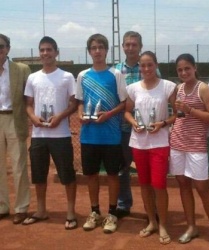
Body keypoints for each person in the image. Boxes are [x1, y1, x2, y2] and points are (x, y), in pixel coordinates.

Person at [22, 36, 78, 230]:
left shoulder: (67, 77)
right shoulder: (32, 77)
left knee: (67, 174)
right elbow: (28, 105)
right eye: (42, 50)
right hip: (38, 135)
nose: (45, 53)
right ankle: (41, 210)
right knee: (39, 174)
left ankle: (71, 212)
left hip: (60, 134)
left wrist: (60, 117)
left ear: (56, 52)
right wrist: (33, 118)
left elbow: (74, 103)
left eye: (49, 50)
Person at [169, 53, 209, 248]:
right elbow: (177, 115)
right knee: (183, 185)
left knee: (202, 188)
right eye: (180, 70)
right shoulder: (178, 88)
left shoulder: (204, 88)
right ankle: (191, 227)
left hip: (196, 146)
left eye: (187, 68)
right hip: (177, 144)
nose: (184, 72)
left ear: (194, 68)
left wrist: (190, 109)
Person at [75, 33, 127, 233]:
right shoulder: (82, 75)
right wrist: (80, 115)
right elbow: (79, 101)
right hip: (89, 135)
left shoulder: (116, 74)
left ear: (106, 50)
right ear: (89, 52)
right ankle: (95, 211)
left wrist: (109, 115)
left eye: (100, 47)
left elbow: (124, 103)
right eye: (93, 48)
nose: (97, 51)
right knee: (92, 175)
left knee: (113, 175)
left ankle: (112, 213)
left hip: (111, 135)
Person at [124, 51, 176, 244]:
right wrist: (133, 123)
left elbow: (176, 115)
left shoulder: (168, 87)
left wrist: (163, 123)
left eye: (149, 65)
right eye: (142, 65)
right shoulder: (133, 88)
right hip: (138, 143)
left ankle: (163, 224)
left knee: (159, 185)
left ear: (156, 65)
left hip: (160, 143)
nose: (146, 69)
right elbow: (127, 113)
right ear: (139, 67)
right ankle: (152, 222)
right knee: (144, 184)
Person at [0, 34, 30, 224]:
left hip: (14, 118)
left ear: (8, 48)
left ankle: (21, 207)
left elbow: (29, 98)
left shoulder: (21, 69)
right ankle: (2, 206)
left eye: (1, 46)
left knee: (19, 166)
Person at [115, 31, 143, 218]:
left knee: (146, 170)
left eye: (134, 44)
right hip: (123, 128)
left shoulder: (149, 67)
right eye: (127, 44)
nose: (131, 48)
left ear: (140, 46)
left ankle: (153, 207)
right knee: (122, 168)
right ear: (123, 47)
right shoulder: (116, 70)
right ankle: (123, 205)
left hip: (146, 129)